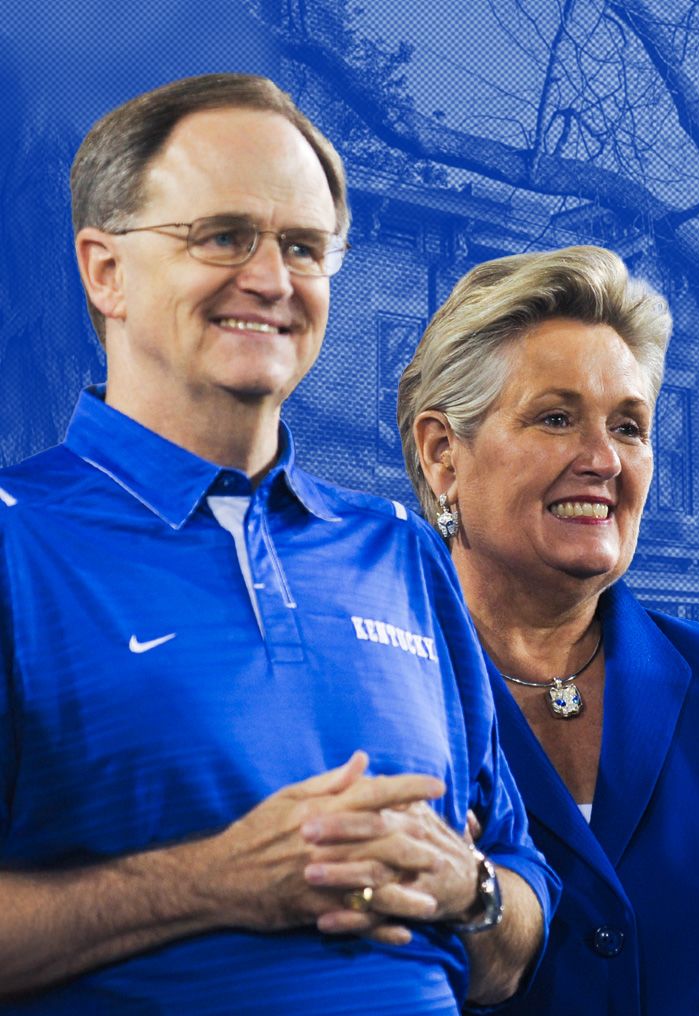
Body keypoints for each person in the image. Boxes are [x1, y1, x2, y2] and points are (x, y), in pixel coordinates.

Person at [0, 74, 559, 1014]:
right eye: (223, 236)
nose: (271, 280)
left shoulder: (402, 553)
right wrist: (209, 883)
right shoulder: (18, 544)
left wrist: (470, 892)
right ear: (105, 271)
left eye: (304, 247)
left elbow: (520, 914)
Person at [397, 246, 699, 1014]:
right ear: (441, 456)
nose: (602, 460)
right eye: (556, 418)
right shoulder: (368, 691)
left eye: (629, 427)